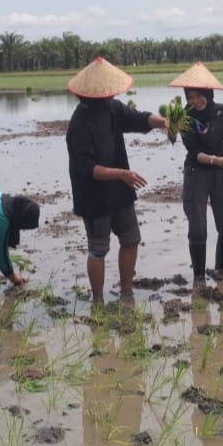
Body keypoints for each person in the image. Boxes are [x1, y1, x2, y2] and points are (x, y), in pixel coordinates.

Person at [65, 57, 167, 304]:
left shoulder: (112, 109)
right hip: (94, 195)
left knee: (131, 239)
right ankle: (98, 300)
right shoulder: (78, 124)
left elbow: (140, 118)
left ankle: (126, 291)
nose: (109, 97)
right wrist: (122, 173)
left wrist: (164, 122)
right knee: (99, 248)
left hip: (120, 190)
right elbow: (88, 169)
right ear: (91, 96)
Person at [167, 62, 223, 285]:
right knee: (198, 229)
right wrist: (217, 160)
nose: (194, 101)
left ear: (208, 93)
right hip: (197, 172)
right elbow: (195, 152)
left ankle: (222, 272)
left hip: (220, 173)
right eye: (190, 97)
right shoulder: (183, 117)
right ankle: (199, 278)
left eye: (198, 96)